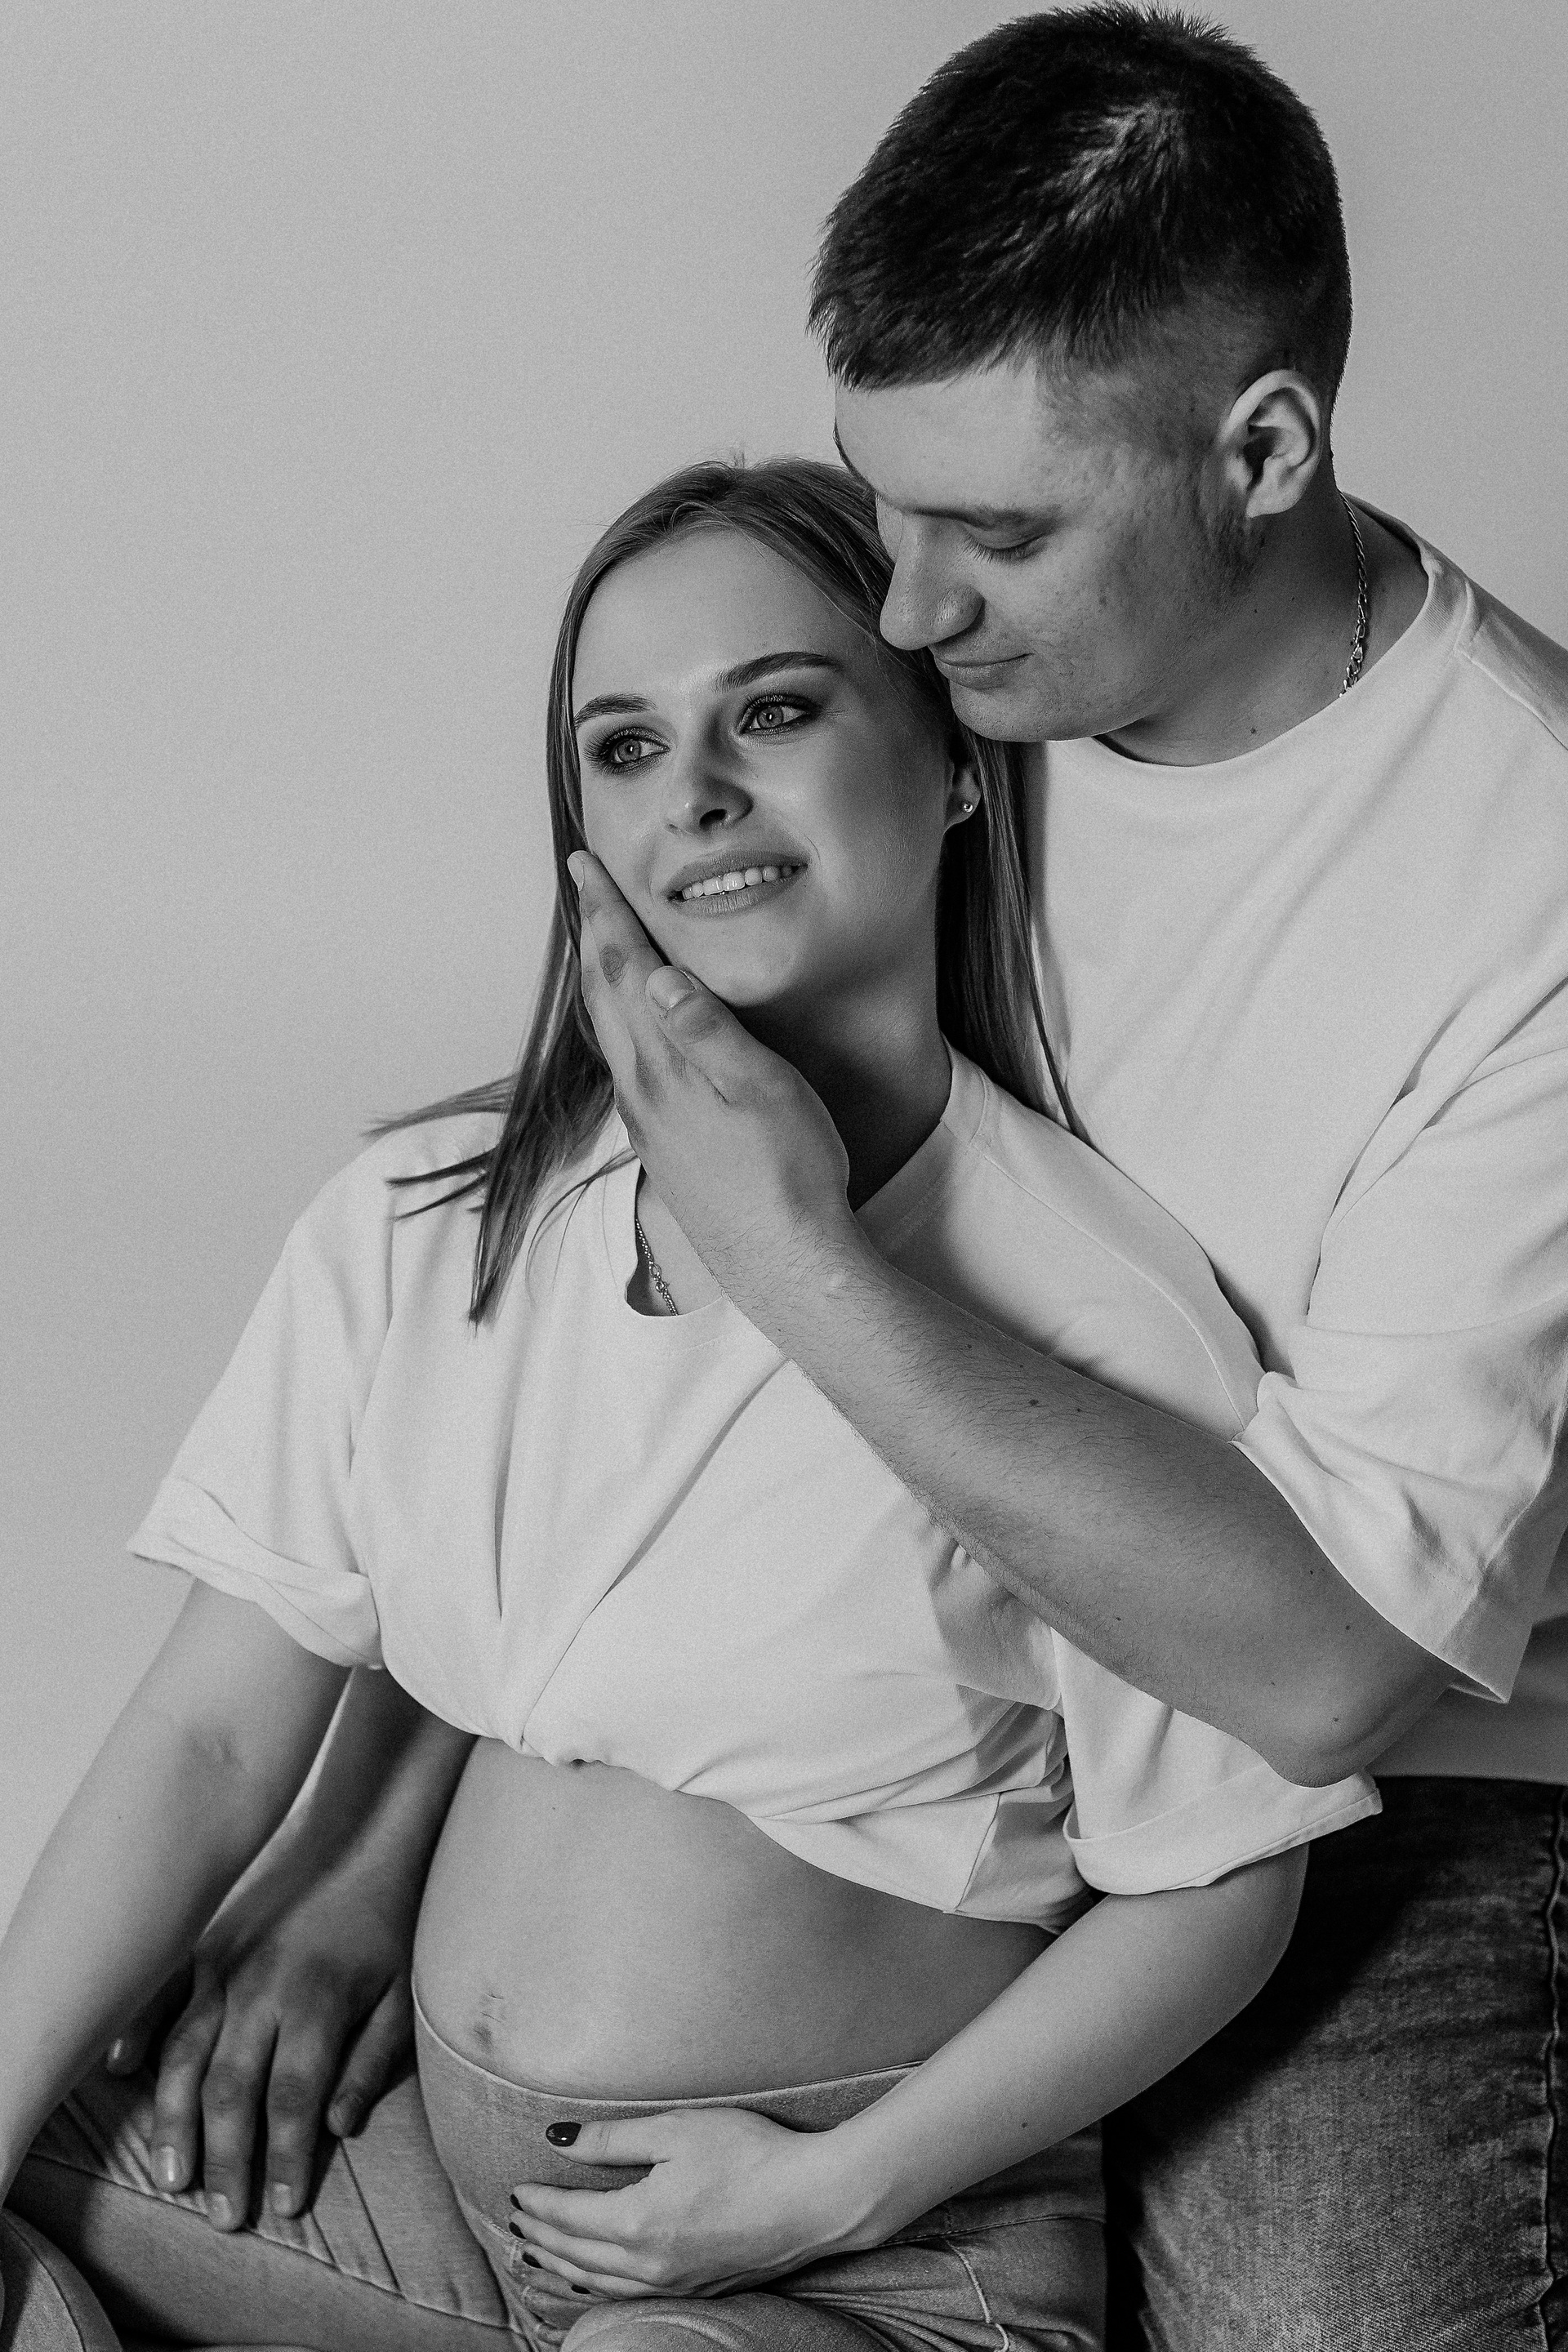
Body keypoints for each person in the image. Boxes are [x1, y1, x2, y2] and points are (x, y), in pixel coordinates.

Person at [0, 460, 1373, 2350]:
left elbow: (1220, 1893)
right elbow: (212, 1737)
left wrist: (830, 2188)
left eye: (778, 712)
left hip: (858, 2261)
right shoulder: (426, 1223)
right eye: (627, 748)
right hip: (450, 2215)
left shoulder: (1093, 1317)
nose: (698, 792)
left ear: (957, 763)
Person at [559, 14, 1568, 2351]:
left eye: (1000, 534)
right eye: (884, 502)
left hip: (1413, 1787)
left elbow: (1329, 1675)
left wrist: (796, 1254)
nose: (905, 610)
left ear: (1264, 449)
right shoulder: (952, 701)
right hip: (951, 1663)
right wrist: (374, 1815)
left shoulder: (1523, 889)